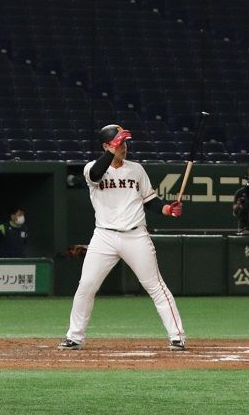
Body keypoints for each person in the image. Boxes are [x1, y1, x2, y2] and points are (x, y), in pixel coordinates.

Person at [61, 125, 186, 351]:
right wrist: (112, 150)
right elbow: (96, 174)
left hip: (135, 235)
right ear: (106, 146)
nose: (124, 147)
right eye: (119, 143)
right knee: (86, 286)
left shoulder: (136, 169)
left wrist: (168, 209)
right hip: (104, 236)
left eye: (125, 142)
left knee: (155, 286)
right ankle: (75, 337)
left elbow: (150, 201)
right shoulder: (92, 168)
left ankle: (177, 336)